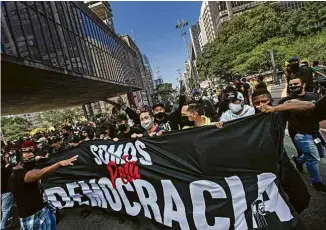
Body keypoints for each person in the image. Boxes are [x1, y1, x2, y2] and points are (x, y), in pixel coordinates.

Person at [251, 88, 312, 212]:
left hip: (281, 161)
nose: (261, 106)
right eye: (257, 103)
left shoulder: (278, 113)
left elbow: (309, 105)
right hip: (260, 167)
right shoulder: (249, 119)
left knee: (302, 198)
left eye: (264, 101)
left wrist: (276, 109)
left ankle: (290, 218)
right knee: (264, 205)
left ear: (271, 100)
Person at [9, 142, 78, 229]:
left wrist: (39, 158)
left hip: (42, 208)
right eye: (29, 159)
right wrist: (58, 164)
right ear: (20, 162)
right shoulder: (18, 175)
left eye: (33, 158)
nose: (32, 161)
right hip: (31, 214)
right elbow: (36, 175)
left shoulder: (24, 168)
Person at [277, 75, 326, 193]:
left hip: (315, 130)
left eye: (296, 84)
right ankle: (317, 182)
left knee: (321, 153)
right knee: (313, 158)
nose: (293, 86)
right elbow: (278, 117)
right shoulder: (285, 101)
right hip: (300, 133)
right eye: (291, 84)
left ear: (303, 84)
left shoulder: (313, 96)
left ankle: (299, 160)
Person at [1, 160, 14, 229]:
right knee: (5, 210)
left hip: (4, 192)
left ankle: (9, 218)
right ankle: (2, 227)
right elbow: (13, 172)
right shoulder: (5, 168)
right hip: (6, 191)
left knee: (5, 209)